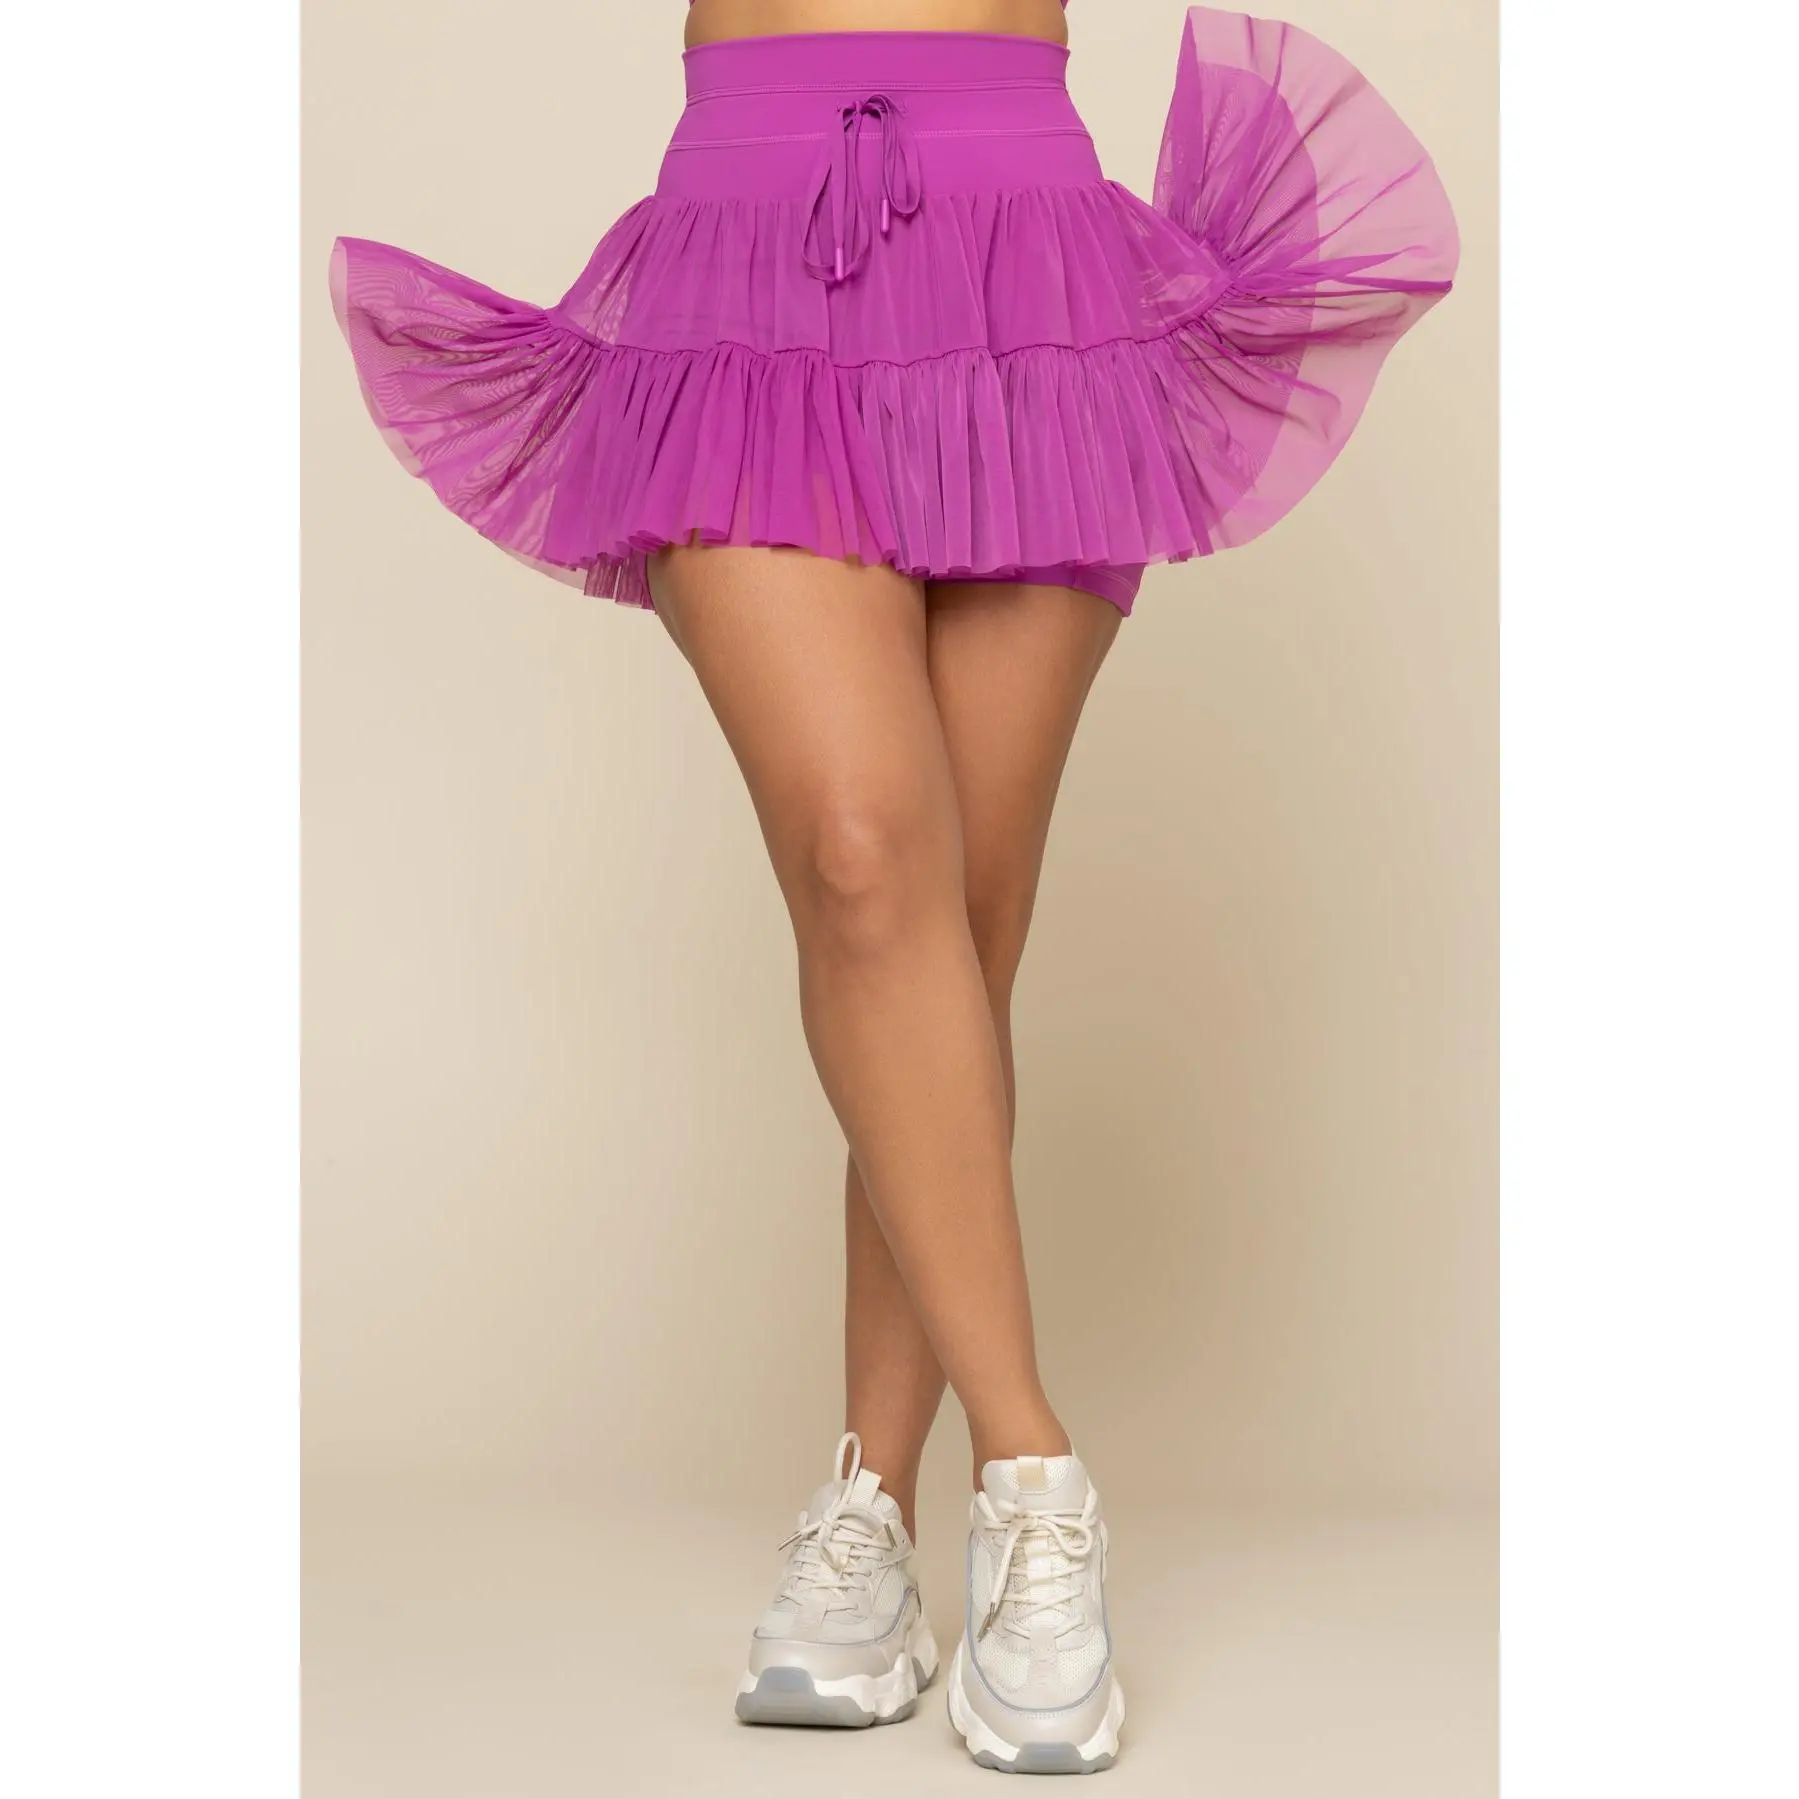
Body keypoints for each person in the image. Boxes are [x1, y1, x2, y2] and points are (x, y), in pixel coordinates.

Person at [331, 0, 1457, 1771]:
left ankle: (864, 1516)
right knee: (862, 859)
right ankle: (1032, 1476)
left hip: (1027, 245)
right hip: (744, 230)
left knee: (957, 935)